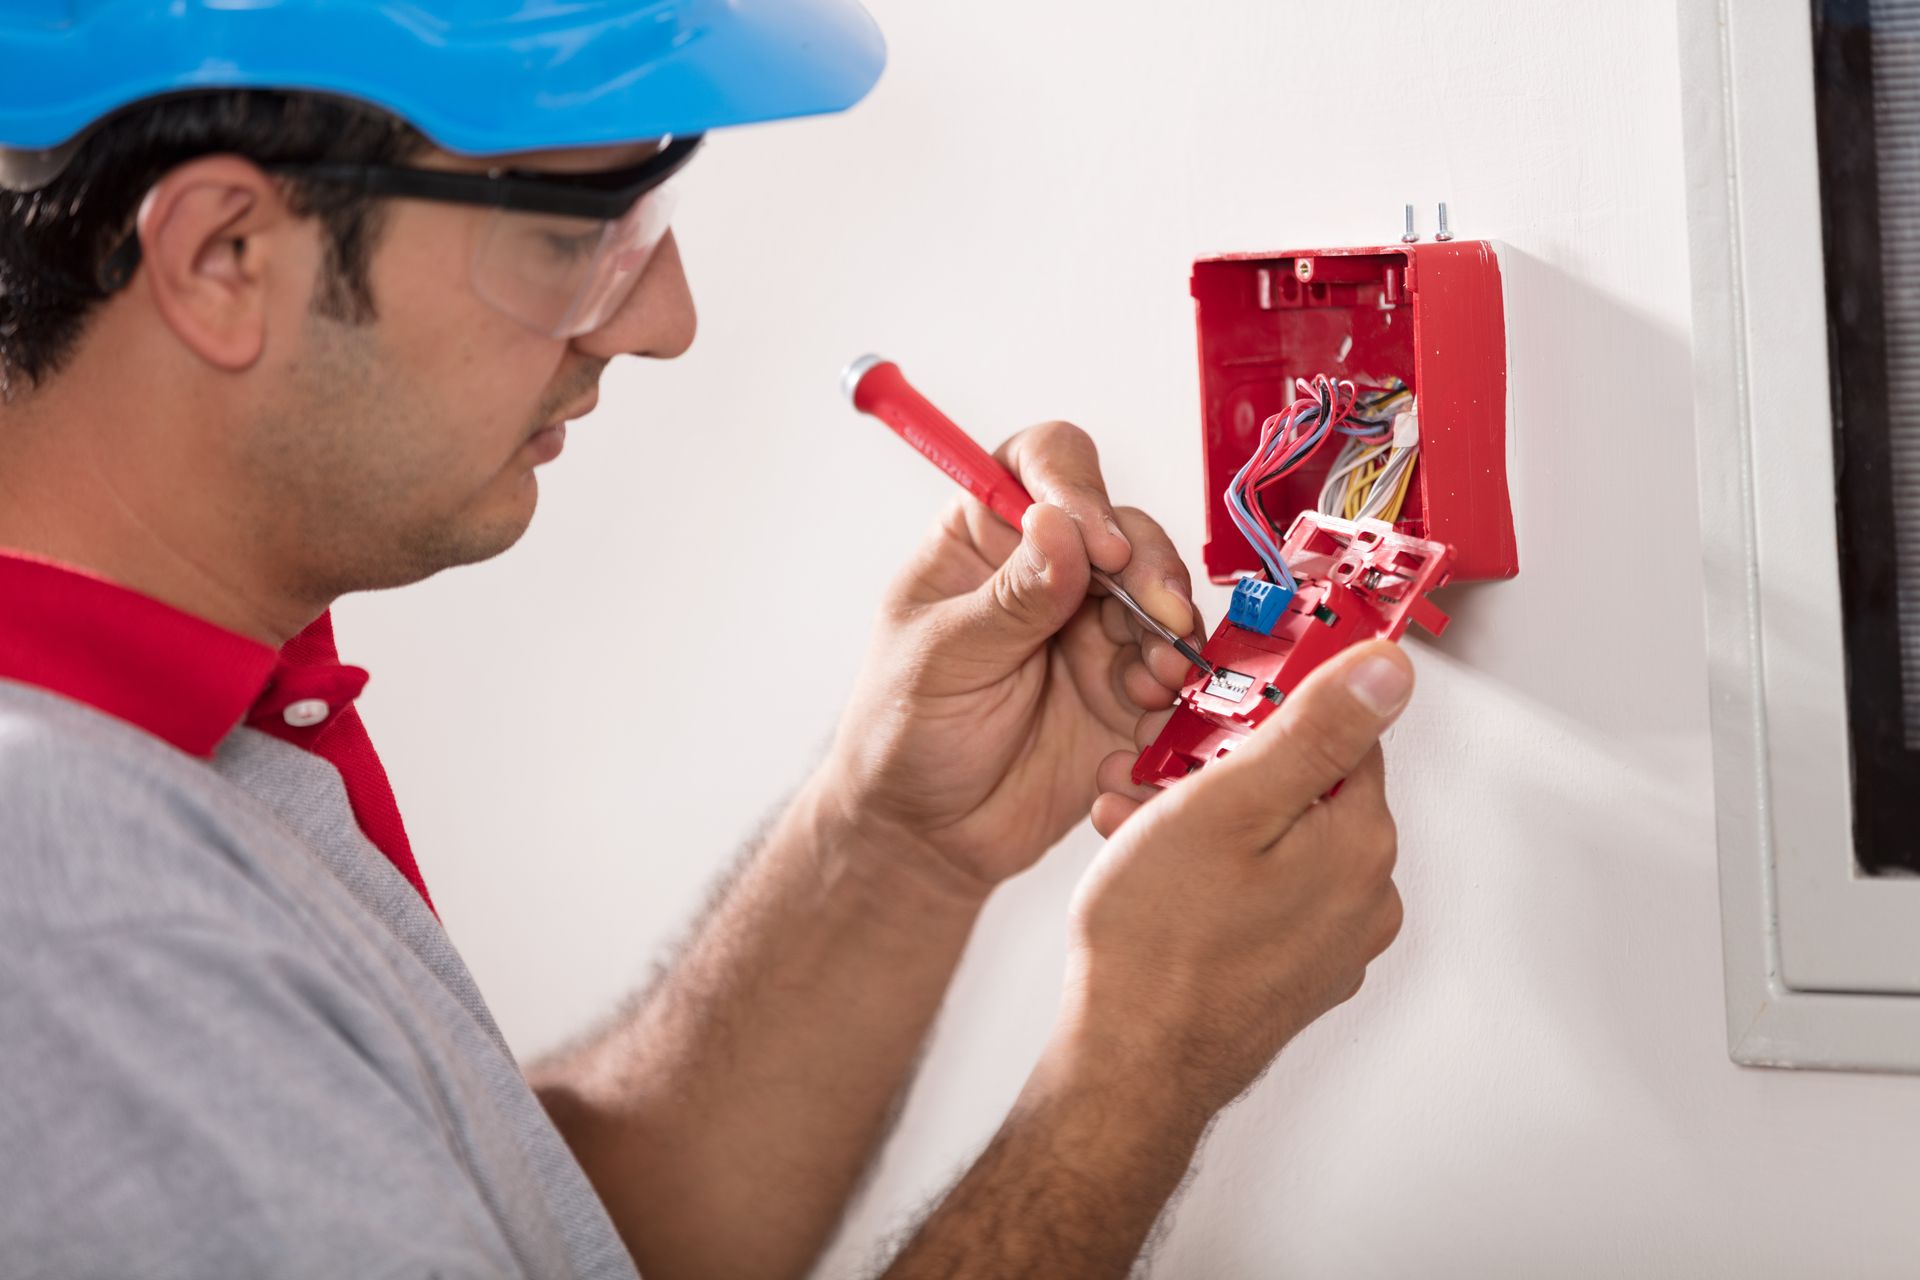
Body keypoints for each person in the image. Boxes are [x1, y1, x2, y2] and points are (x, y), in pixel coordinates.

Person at [0, 3, 1410, 1277]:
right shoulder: (64, 907)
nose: (662, 322)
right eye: (578, 232)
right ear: (223, 258)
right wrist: (1141, 1065)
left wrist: (896, 846)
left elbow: (520, 1229)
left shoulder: (197, 728)